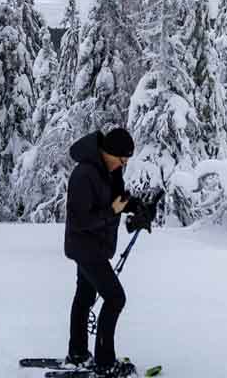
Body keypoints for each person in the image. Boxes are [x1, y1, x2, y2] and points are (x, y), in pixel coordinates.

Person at [64, 127, 137, 378]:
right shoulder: (84, 174)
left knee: (84, 297)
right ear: (109, 152)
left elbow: (119, 199)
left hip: (94, 247)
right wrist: (113, 212)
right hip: (86, 247)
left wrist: (139, 208)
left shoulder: (110, 170)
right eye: (123, 158)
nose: (124, 163)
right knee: (116, 298)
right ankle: (105, 363)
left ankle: (78, 354)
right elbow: (80, 220)